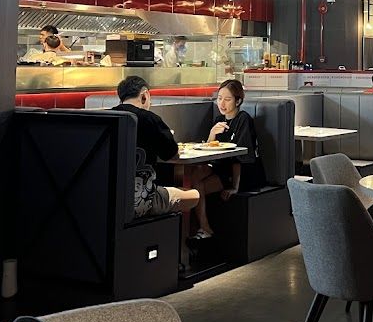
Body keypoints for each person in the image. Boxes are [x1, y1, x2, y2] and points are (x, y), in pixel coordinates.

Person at [111, 75, 204, 225]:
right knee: (194, 195)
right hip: (142, 200)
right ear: (144, 95)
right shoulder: (149, 119)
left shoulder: (108, 117)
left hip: (108, 197)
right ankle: (184, 245)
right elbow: (171, 153)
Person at [195, 79, 266, 234]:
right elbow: (207, 151)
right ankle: (196, 228)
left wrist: (234, 187)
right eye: (219, 98)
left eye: (227, 99)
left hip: (244, 173)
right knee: (194, 177)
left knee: (197, 186)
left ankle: (204, 227)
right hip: (221, 167)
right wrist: (211, 134)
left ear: (238, 100)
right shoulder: (218, 120)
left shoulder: (243, 119)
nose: (222, 103)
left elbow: (240, 156)